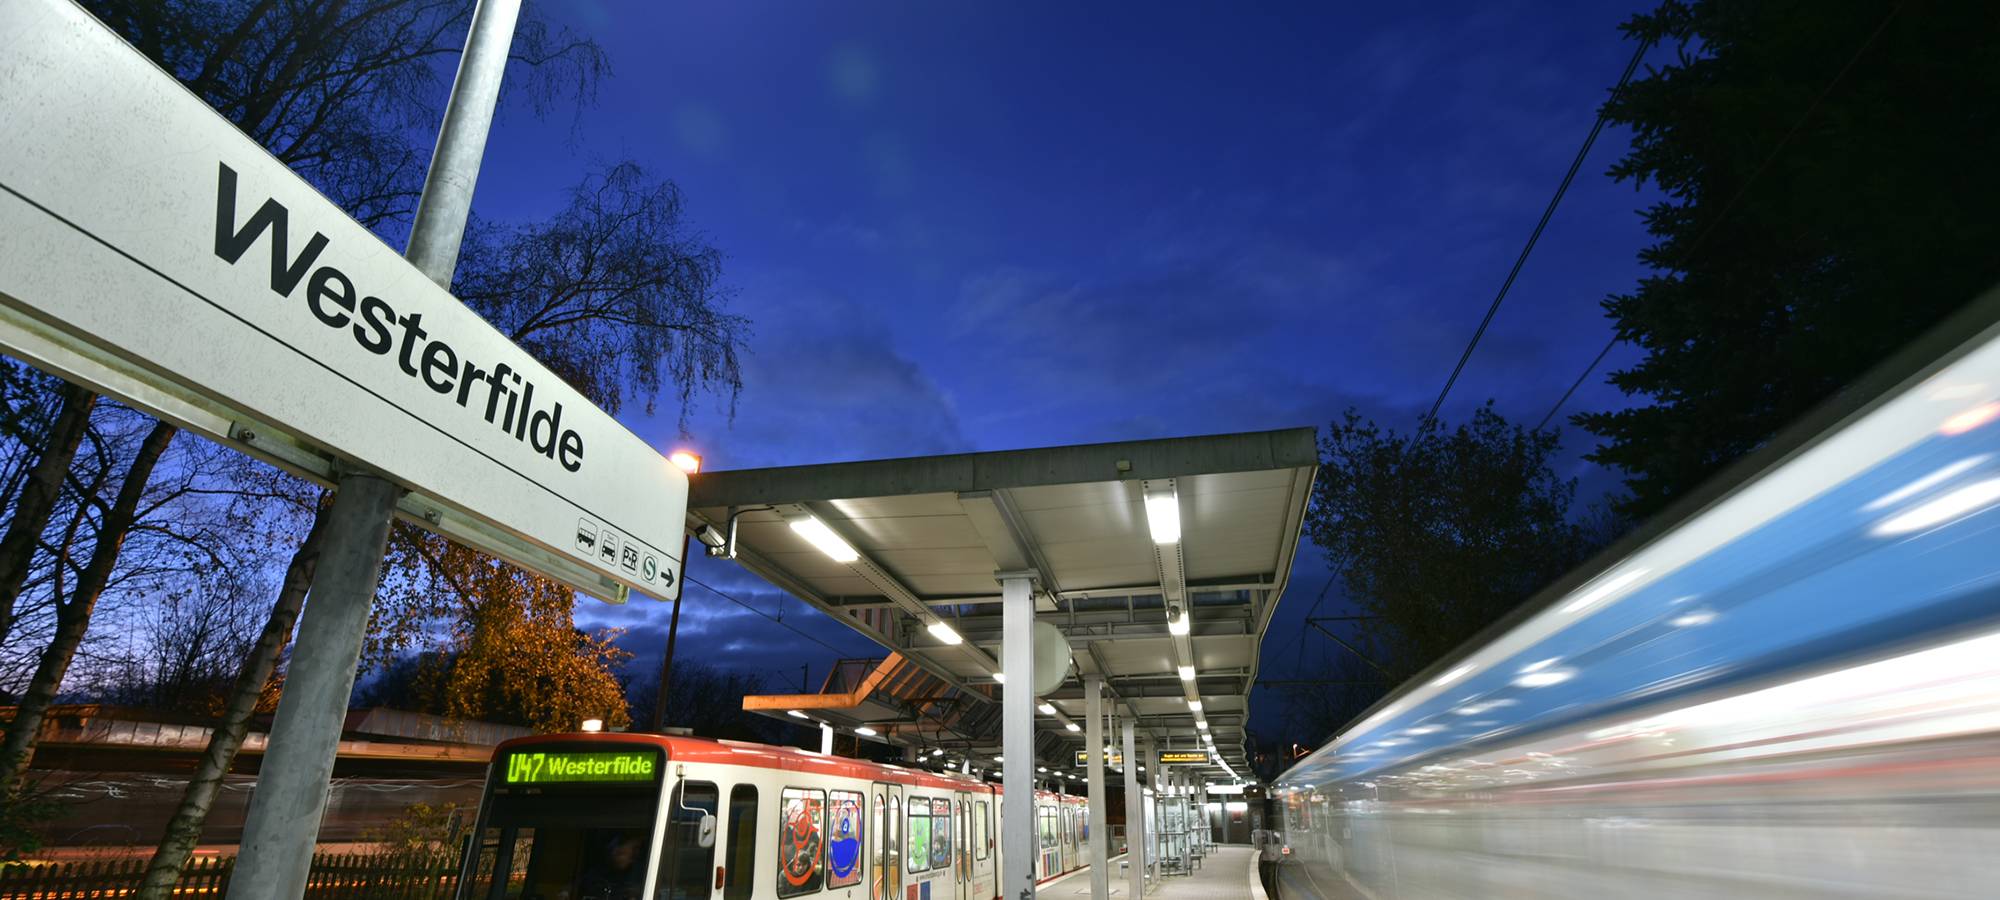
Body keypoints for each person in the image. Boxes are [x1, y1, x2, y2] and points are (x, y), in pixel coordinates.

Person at [577, 832, 646, 900]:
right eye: (634, 849)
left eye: (638, 849)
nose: (636, 853)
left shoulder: (640, 877)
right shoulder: (594, 876)